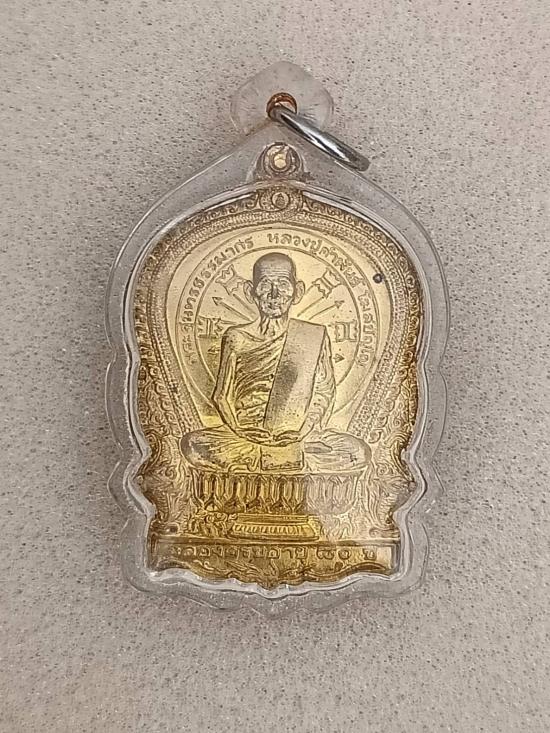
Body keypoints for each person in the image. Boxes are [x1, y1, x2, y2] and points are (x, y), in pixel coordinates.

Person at [181, 252, 368, 473]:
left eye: (283, 284)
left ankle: (265, 462)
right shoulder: (236, 337)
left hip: (298, 435)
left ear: (297, 292)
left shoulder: (313, 335)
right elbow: (220, 396)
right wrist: (240, 430)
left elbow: (323, 393)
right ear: (251, 292)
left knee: (357, 452)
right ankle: (279, 460)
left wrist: (303, 431)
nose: (274, 294)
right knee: (193, 445)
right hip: (244, 436)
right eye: (265, 284)